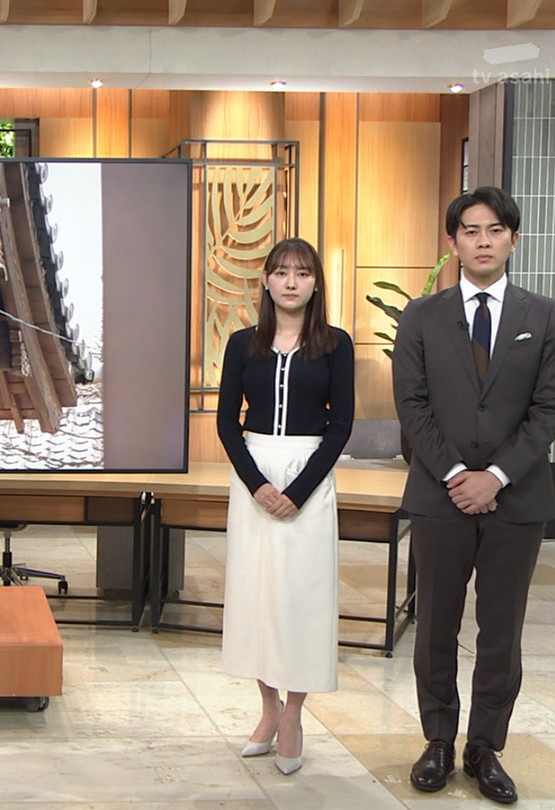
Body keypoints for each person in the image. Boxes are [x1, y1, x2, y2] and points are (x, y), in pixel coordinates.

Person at [395, 186, 555, 805]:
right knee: (435, 625)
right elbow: (412, 406)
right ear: (453, 243)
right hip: (439, 496)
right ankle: (438, 741)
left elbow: (550, 409)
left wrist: (495, 476)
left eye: (495, 230)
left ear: (513, 240)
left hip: (517, 501)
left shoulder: (545, 316)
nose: (483, 241)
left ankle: (484, 747)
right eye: (470, 231)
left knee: (502, 629)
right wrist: (456, 474)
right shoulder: (421, 316)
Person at [216, 237, 354, 776]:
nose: (291, 282)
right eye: (281, 272)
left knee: (301, 598)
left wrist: (297, 492)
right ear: (266, 281)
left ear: (315, 283)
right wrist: (257, 485)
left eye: (302, 273)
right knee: (256, 595)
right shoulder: (242, 344)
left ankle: (294, 713)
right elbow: (227, 422)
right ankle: (268, 708)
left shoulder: (336, 345)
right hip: (254, 474)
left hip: (309, 477)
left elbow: (341, 425)